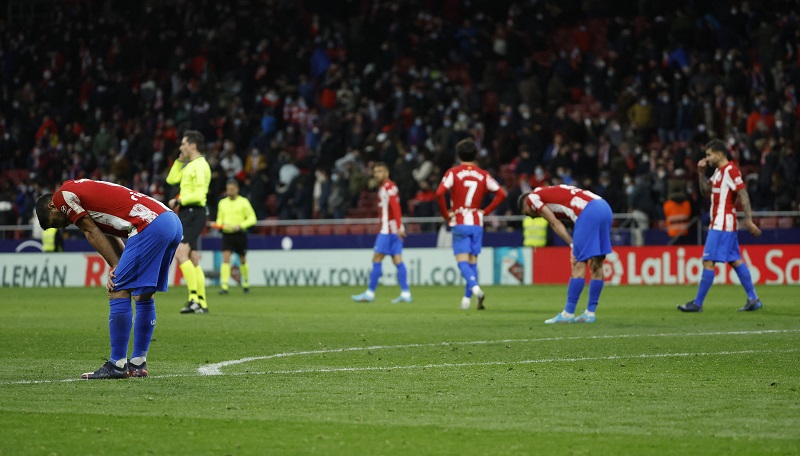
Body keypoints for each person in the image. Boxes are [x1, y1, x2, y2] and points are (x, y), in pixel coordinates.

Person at [35, 179, 182, 379]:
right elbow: (107, 232)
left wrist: (116, 268)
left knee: (117, 290)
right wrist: (119, 266)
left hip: (149, 224)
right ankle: (138, 363)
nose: (61, 228)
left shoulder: (62, 197)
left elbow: (90, 231)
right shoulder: (81, 193)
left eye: (54, 222)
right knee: (143, 293)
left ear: (52, 206)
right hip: (169, 220)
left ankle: (117, 364)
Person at [678, 139, 763, 313]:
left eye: (709, 155)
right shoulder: (718, 172)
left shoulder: (731, 170)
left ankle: (698, 303)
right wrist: (701, 173)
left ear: (720, 154)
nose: (707, 159)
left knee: (708, 260)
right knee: (735, 260)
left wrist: (749, 220)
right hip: (720, 223)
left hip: (722, 223)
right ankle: (754, 299)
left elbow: (743, 194)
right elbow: (705, 191)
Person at [518, 184, 613, 324]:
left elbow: (554, 222)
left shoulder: (532, 198)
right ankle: (590, 313)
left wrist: (572, 245)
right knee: (597, 262)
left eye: (526, 213)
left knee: (578, 262)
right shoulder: (548, 192)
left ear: (525, 204)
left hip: (588, 212)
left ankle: (568, 313)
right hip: (604, 207)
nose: (531, 217)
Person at [435, 138, 507, 310]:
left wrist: (446, 215)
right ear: (475, 155)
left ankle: (475, 289)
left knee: (461, 260)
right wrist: (485, 211)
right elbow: (501, 194)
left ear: (458, 155)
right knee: (473, 261)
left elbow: (439, 193)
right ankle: (467, 300)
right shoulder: (483, 174)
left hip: (459, 220)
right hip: (476, 222)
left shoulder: (453, 172)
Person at [351, 162, 412, 304]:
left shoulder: (388, 187)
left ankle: (370, 293)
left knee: (376, 259)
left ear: (387, 172)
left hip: (388, 230)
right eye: (375, 172)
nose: (377, 174)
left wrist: (398, 227)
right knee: (397, 260)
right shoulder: (387, 187)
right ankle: (406, 293)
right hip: (393, 229)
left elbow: (395, 207)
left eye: (380, 171)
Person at [166, 130, 212, 314]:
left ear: (193, 145)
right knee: (191, 257)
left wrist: (178, 201)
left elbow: (200, 195)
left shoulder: (200, 166)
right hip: (188, 212)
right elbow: (171, 180)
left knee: (180, 252)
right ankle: (202, 302)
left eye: (184, 143)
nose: (181, 146)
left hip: (194, 212)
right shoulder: (189, 164)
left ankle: (194, 299)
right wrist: (179, 160)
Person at [215, 179, 257, 294]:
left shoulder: (244, 202)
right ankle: (224, 286)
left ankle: (246, 283)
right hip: (227, 234)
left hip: (240, 234)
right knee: (226, 258)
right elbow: (219, 219)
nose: (230, 191)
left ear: (237, 189)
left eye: (232, 189)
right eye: (228, 189)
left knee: (242, 259)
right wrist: (220, 225)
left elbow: (252, 218)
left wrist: (241, 225)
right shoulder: (222, 203)